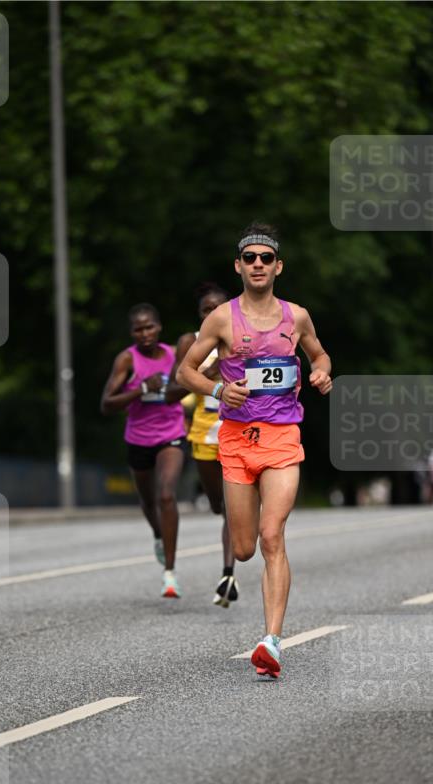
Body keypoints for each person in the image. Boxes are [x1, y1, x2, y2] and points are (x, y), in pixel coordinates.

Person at [177, 223, 332, 680]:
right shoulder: (222, 319)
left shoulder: (296, 317)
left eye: (266, 258)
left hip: (283, 437)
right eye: (250, 258)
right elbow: (186, 372)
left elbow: (319, 355)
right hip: (237, 442)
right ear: (239, 266)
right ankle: (261, 615)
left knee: (272, 536)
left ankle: (271, 641)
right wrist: (220, 389)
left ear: (278, 266)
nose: (259, 264)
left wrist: (321, 373)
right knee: (243, 548)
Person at [101, 303, 187, 598]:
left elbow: (187, 384)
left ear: (159, 327)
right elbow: (107, 404)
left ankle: (170, 574)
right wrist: (140, 389)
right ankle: (158, 536)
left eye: (149, 326)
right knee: (148, 501)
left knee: (165, 495)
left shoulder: (175, 355)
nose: (145, 333)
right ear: (132, 333)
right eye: (138, 329)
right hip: (138, 439)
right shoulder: (127, 360)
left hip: (171, 435)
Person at [176, 282, 239, 607]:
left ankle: (228, 574)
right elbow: (178, 384)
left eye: (218, 307)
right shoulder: (192, 342)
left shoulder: (240, 337)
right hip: (203, 434)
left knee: (229, 506)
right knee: (216, 504)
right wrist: (210, 373)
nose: (213, 313)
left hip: (235, 432)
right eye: (206, 309)